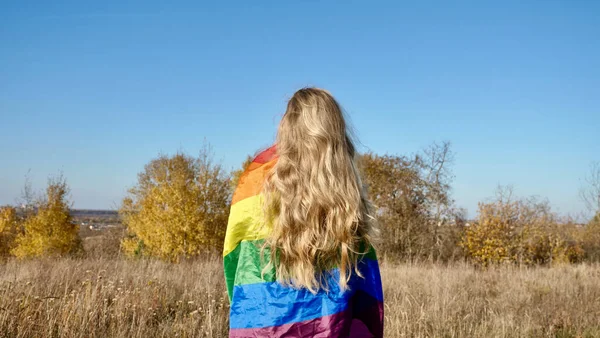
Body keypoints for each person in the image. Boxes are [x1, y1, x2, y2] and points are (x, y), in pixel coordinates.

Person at [224, 88, 384, 338]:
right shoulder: (347, 194)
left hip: (261, 324)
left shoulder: (255, 182)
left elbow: (234, 259)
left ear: (287, 126)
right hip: (329, 326)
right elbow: (365, 290)